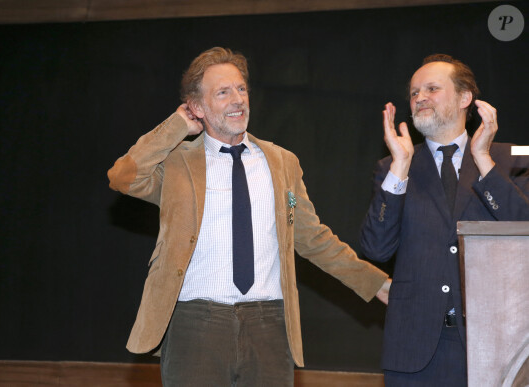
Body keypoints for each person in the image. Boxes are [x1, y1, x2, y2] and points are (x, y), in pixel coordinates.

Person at [108, 47, 390, 386]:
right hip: (195, 323)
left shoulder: (281, 163)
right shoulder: (176, 164)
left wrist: (377, 283)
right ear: (197, 107)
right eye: (223, 92)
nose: (238, 99)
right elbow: (123, 177)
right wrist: (176, 126)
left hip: (268, 323)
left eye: (241, 89)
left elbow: (313, 238)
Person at [360, 53, 529, 386]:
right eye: (414, 92)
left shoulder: (511, 158)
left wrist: (483, 159)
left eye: (432, 89)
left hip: (495, 345)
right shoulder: (392, 167)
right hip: (415, 350)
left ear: (465, 98)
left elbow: (523, 230)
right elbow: (376, 249)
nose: (420, 98)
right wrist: (399, 168)